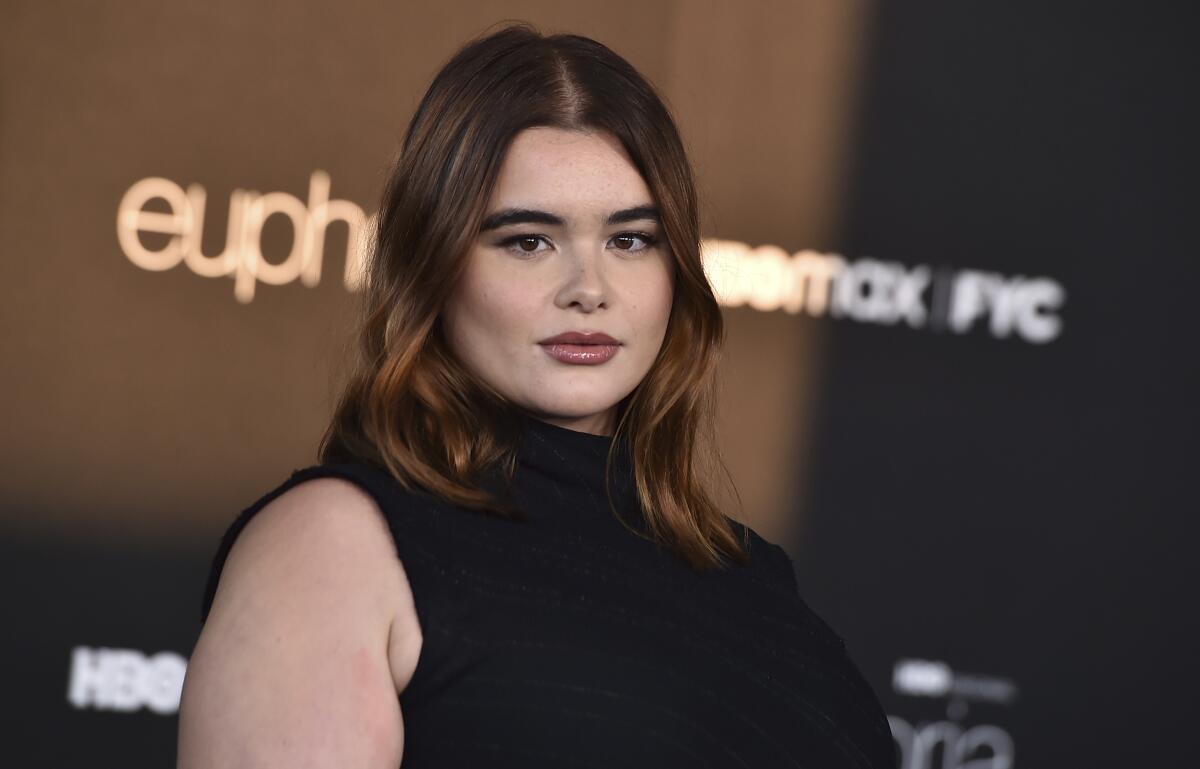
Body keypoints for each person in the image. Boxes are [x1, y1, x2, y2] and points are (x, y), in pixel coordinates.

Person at [177, 21, 898, 769]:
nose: (588, 289)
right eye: (528, 240)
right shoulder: (336, 540)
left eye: (630, 240)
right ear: (434, 267)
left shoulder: (753, 575)